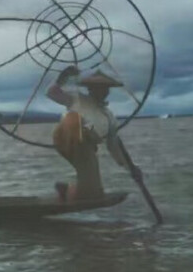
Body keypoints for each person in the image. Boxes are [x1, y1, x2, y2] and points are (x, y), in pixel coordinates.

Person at [46, 65, 141, 201]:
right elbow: (52, 93)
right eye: (96, 88)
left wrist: (131, 168)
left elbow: (114, 146)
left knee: (94, 194)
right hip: (67, 136)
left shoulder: (108, 116)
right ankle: (72, 190)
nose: (100, 91)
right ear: (90, 89)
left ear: (107, 91)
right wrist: (64, 76)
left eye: (103, 89)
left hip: (86, 147)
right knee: (76, 120)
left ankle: (66, 190)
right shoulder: (77, 99)